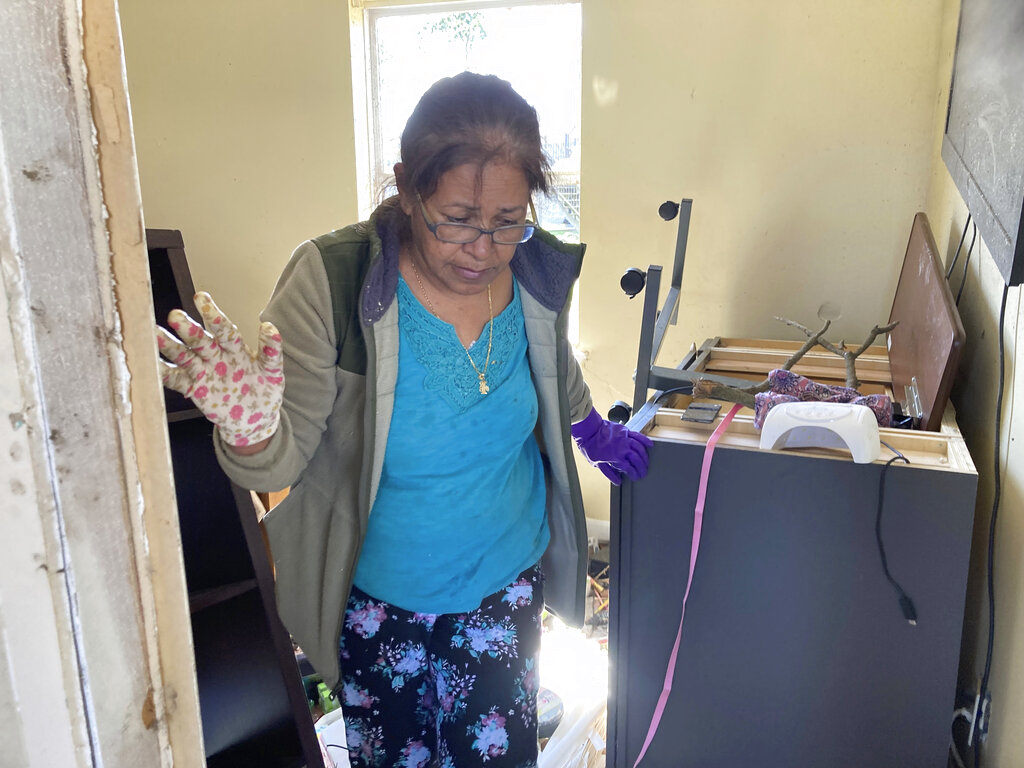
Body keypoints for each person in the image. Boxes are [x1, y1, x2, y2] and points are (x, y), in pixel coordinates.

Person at [157, 72, 652, 767]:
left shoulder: (534, 272)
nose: (484, 247)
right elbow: (280, 460)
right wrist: (251, 425)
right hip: (382, 598)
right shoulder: (335, 280)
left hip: (503, 584)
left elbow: (547, 364)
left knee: (497, 757)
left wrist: (590, 428)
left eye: (508, 220)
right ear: (406, 187)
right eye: (456, 218)